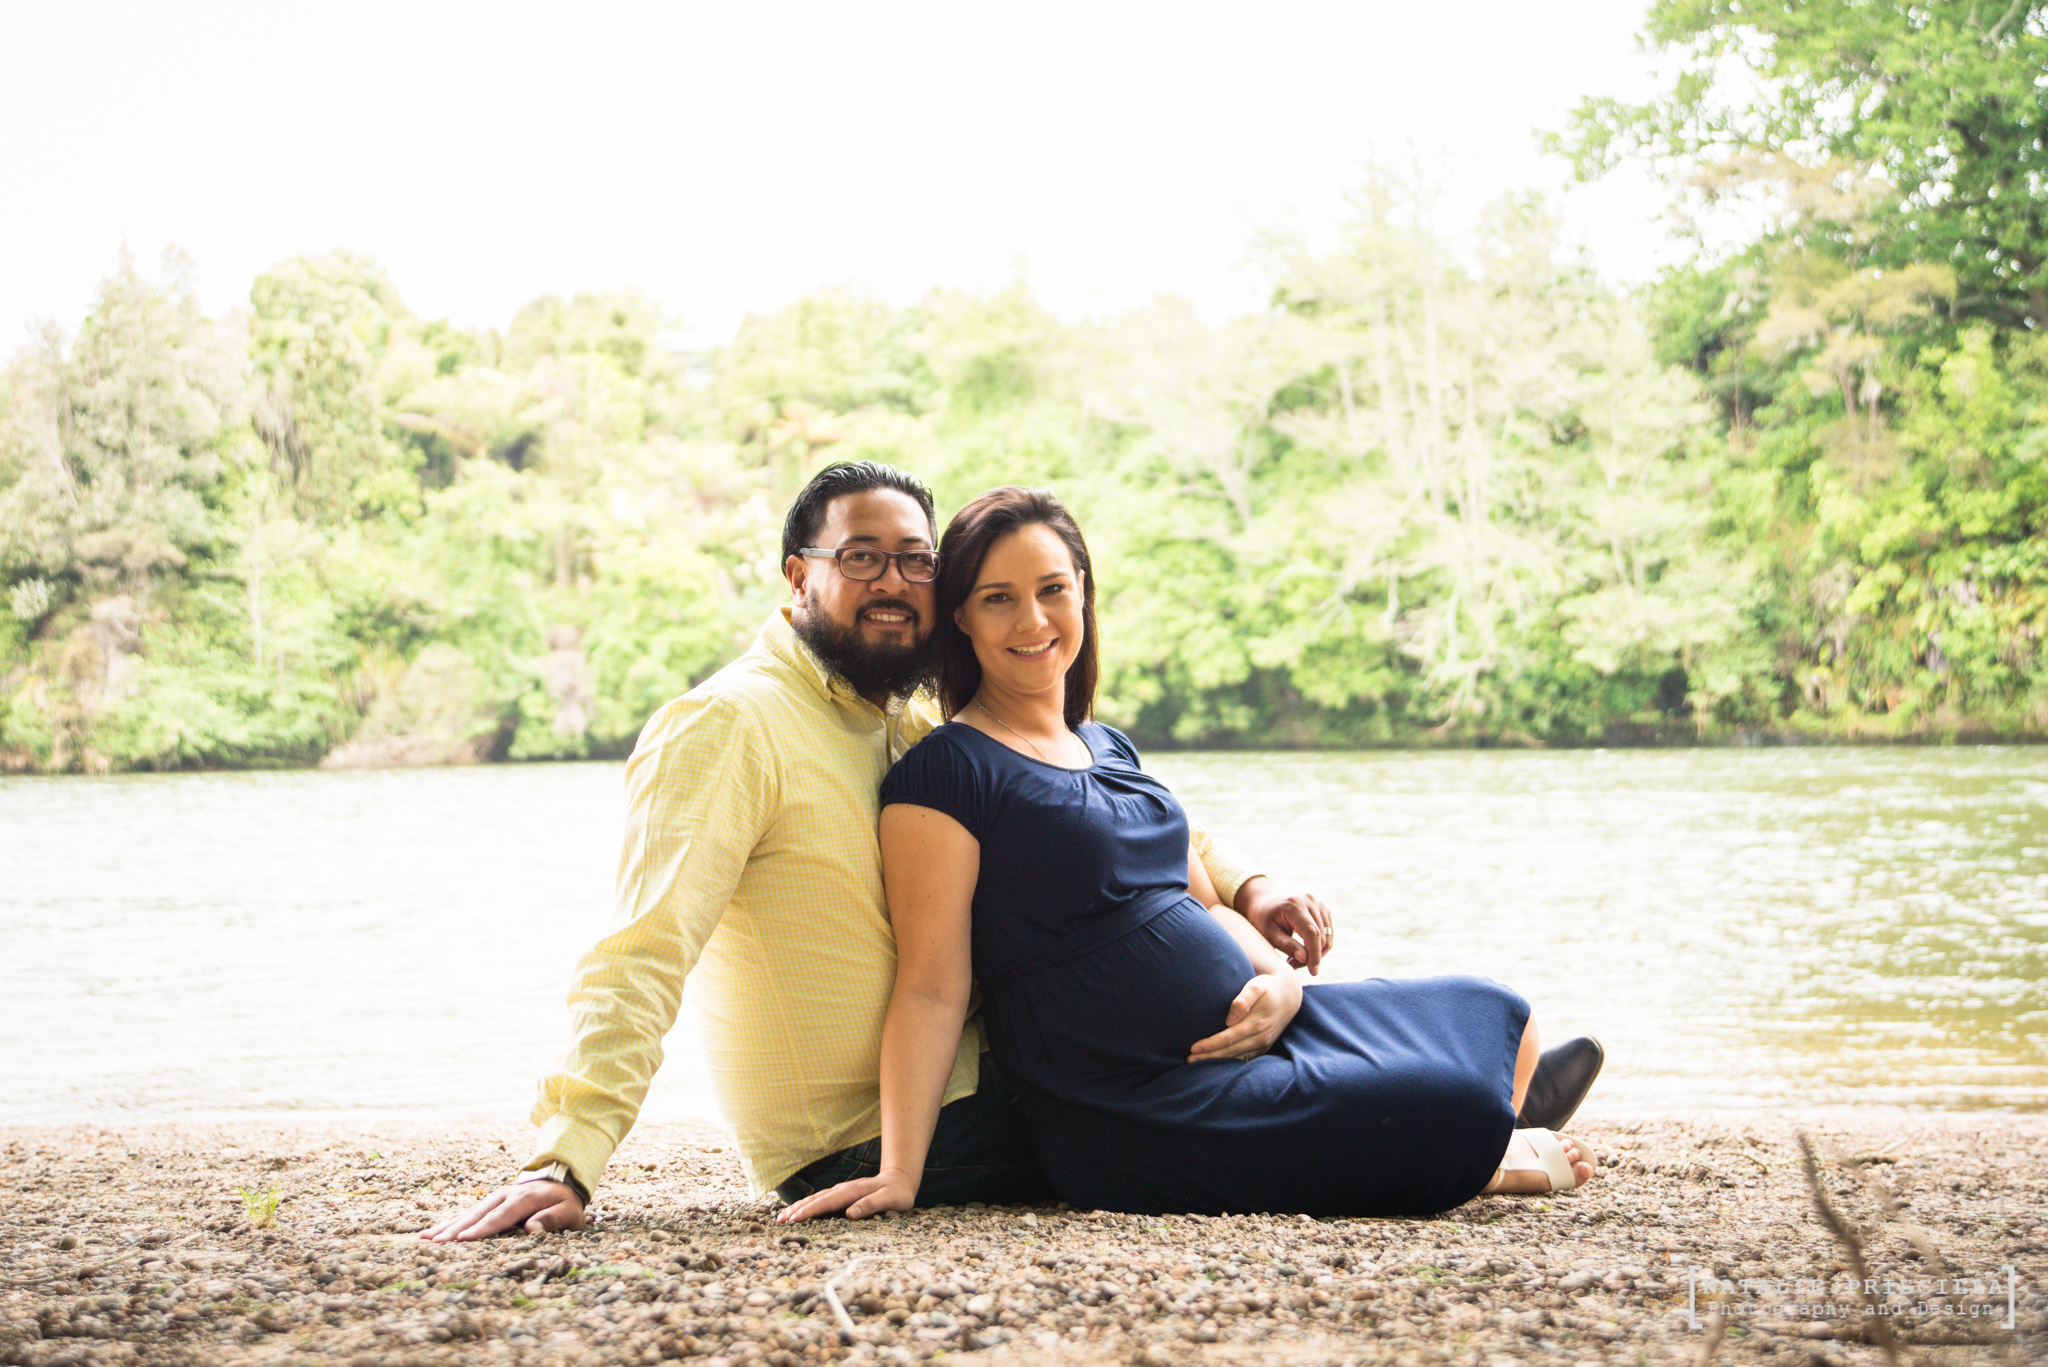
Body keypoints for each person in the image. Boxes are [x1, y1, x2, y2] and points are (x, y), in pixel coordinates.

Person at [423, 462, 1335, 1242]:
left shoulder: (915, 712)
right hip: (876, 1133)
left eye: (915, 560)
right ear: (798, 576)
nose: (893, 582)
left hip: (998, 1073)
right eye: (860, 557)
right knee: (1292, 1091)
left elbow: (1096, 806)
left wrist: (1246, 885)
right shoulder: (729, 724)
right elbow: (644, 946)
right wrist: (566, 1159)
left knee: (1322, 1039)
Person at [780, 487, 1600, 1222]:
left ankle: (1469, 1136)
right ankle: (1488, 1154)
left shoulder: (1109, 747)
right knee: (1451, 1101)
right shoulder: (947, 773)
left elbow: (1205, 903)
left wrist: (1278, 983)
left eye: (1052, 589)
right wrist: (900, 1171)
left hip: (1263, 1033)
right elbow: (931, 985)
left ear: (1083, 593)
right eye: (999, 598)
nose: (1032, 621)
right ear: (961, 616)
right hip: (1140, 1103)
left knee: (1500, 1012)